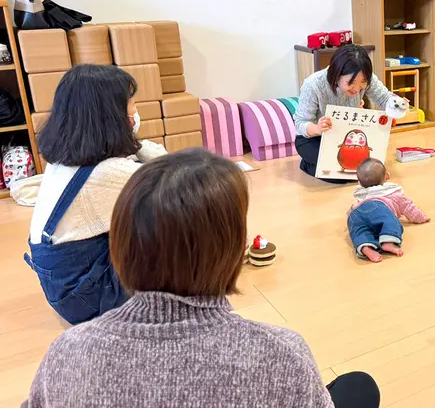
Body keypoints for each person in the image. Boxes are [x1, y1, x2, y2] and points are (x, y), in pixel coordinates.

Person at [26, 149, 381, 408]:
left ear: (119, 243)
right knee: (359, 388)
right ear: (234, 249)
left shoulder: (69, 351)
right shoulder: (281, 356)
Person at [25, 64, 166, 325]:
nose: (135, 114)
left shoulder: (66, 159)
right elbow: (172, 181)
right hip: (87, 297)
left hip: (64, 285)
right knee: (175, 221)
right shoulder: (109, 173)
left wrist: (136, 147)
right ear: (111, 117)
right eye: (131, 106)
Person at [293, 45, 400, 182]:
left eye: (363, 82)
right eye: (351, 83)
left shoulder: (364, 77)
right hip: (314, 138)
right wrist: (318, 128)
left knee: (363, 170)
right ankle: (307, 164)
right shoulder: (313, 85)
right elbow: (300, 123)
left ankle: (321, 164)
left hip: (347, 137)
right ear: (336, 74)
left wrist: (396, 105)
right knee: (340, 174)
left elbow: (384, 98)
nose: (357, 88)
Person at [348, 158, 429, 262]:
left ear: (359, 183)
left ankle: (365, 246)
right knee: (390, 222)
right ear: (387, 176)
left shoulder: (361, 193)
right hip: (378, 207)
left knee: (359, 231)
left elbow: (359, 208)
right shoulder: (392, 192)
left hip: (355, 214)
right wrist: (421, 217)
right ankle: (388, 242)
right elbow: (409, 208)